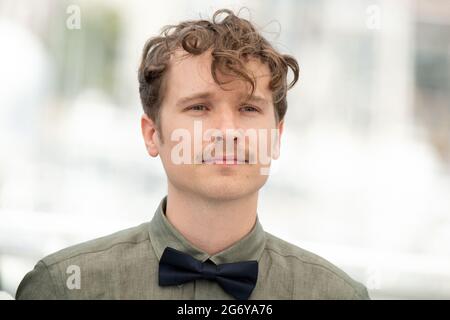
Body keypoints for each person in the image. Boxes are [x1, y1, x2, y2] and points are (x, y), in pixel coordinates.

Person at [16, 8, 370, 300]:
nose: (228, 131)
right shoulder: (63, 288)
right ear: (153, 134)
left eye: (248, 109)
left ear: (276, 138)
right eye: (199, 107)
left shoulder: (337, 296)